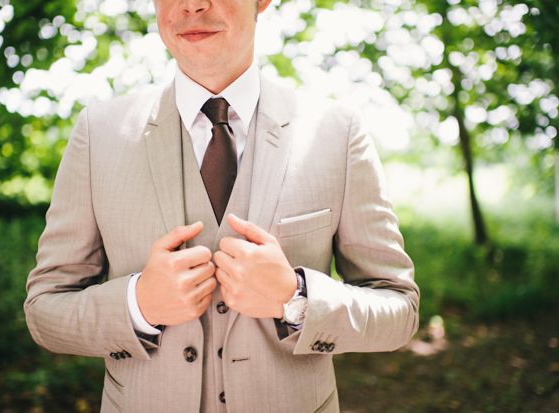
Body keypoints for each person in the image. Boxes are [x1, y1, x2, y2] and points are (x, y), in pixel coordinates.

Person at [24, 0, 420, 411]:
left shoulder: (337, 133)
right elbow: (45, 311)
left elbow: (399, 310)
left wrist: (296, 299)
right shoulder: (97, 134)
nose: (192, 5)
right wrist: (137, 306)